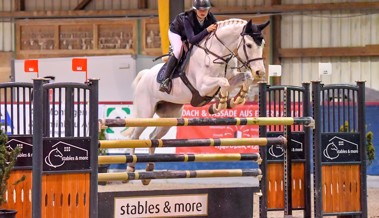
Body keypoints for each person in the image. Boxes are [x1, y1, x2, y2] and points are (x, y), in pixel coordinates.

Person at [159, 0, 218, 94]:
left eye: (205, 10)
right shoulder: (187, 18)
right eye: (200, 10)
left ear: (208, 10)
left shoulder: (211, 18)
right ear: (195, 10)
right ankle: (165, 81)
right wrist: (207, 30)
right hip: (177, 33)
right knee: (178, 51)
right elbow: (192, 40)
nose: (203, 12)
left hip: (193, 35)